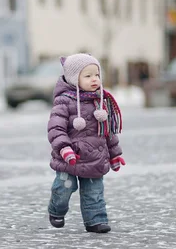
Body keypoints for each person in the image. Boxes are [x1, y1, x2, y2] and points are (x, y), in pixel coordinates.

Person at [47, 53, 125, 233]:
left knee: (94, 192)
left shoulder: (100, 101)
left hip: (95, 157)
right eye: (88, 76)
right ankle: (56, 210)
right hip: (70, 156)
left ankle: (95, 220)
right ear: (75, 78)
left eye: (97, 75)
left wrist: (115, 154)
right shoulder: (64, 102)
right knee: (65, 186)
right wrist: (63, 148)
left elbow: (108, 131)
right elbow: (55, 129)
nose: (94, 79)